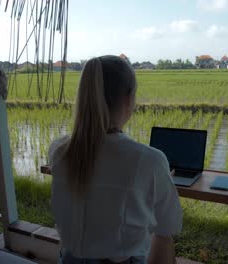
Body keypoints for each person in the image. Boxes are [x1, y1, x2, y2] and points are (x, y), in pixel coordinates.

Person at [48, 55, 183, 264]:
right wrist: (160, 181)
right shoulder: (150, 161)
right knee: (163, 239)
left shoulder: (59, 150)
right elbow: (166, 230)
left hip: (69, 258)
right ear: (128, 99)